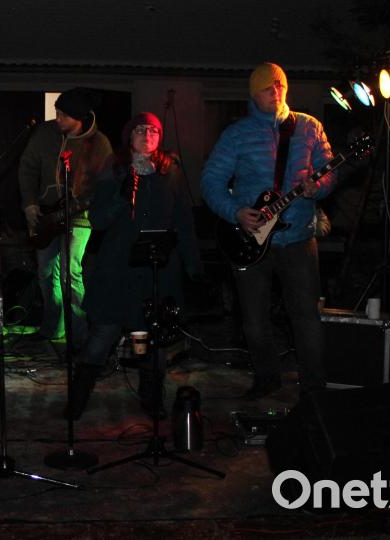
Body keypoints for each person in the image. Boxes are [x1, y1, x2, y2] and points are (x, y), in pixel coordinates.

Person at [201, 62, 336, 399]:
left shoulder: (309, 127)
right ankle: (266, 377)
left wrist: (318, 187)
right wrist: (235, 212)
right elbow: (210, 181)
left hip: (299, 238)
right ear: (254, 95)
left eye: (279, 85)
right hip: (250, 240)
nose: (275, 92)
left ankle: (314, 387)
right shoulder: (237, 134)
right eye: (267, 87)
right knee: (254, 319)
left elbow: (328, 172)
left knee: (306, 316)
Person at [65, 112, 203, 420]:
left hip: (157, 270)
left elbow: (183, 222)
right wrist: (122, 196)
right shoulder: (113, 170)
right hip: (118, 270)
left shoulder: (171, 172)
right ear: (129, 136)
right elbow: (98, 220)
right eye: (140, 129)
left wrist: (193, 265)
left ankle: (151, 398)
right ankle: (77, 399)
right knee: (103, 335)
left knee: (153, 339)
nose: (147, 135)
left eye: (153, 130)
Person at [18, 88, 112, 348]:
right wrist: (30, 204)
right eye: (57, 112)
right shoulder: (45, 133)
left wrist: (88, 204)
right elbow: (27, 167)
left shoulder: (99, 144)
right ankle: (53, 327)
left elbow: (105, 186)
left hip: (80, 218)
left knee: (70, 273)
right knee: (46, 273)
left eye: (63, 115)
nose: (57, 118)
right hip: (47, 214)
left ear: (79, 117)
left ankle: (80, 336)